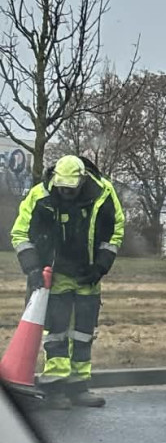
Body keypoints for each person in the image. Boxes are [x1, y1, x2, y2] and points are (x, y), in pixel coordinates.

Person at [11, 155, 124, 409]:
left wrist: (101, 267)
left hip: (88, 273)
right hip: (57, 272)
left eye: (70, 189)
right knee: (57, 330)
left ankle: (78, 386)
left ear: (82, 180)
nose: (65, 193)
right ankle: (54, 388)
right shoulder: (40, 196)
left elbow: (115, 231)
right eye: (62, 188)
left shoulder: (104, 195)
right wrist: (32, 268)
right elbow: (20, 233)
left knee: (83, 332)